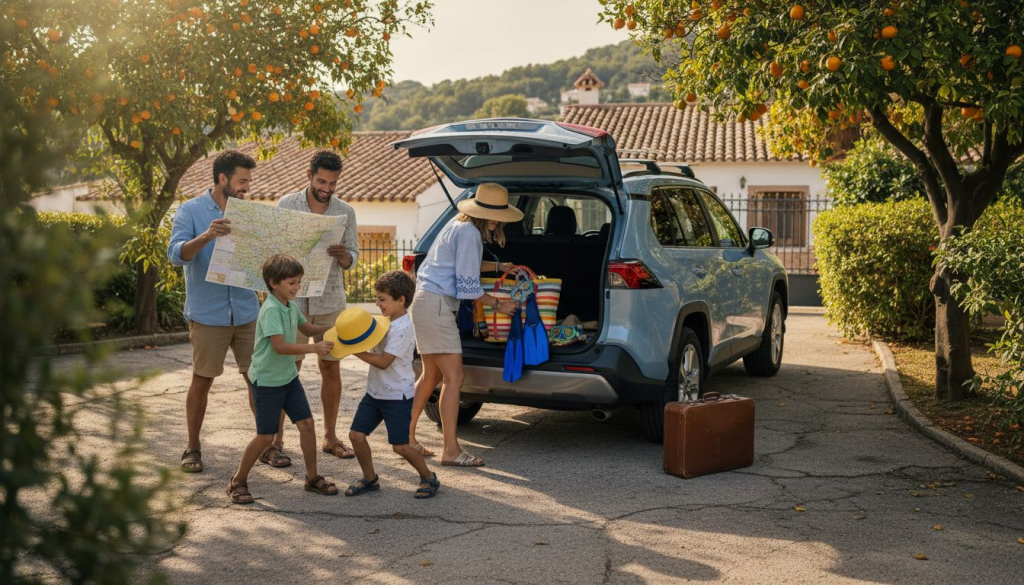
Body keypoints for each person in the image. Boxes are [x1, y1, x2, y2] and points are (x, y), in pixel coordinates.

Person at [408, 183, 522, 467]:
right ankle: (450, 451)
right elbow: (468, 287)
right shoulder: (471, 233)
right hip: (436, 306)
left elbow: (461, 265)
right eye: (494, 216)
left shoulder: (456, 225)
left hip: (424, 302)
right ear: (482, 214)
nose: (496, 222)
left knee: (430, 377)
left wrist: (498, 267)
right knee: (454, 378)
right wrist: (500, 304)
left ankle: (406, 438)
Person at [168, 149, 266, 474]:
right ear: (223, 179)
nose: (246, 187)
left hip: (247, 311)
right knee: (202, 381)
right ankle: (192, 447)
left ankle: (267, 444)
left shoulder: (250, 215)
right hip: (208, 313)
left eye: (248, 181)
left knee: (258, 380)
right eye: (242, 181)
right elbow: (176, 255)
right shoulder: (190, 211)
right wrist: (208, 235)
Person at [226, 254, 339, 504]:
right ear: (273, 282)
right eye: (292, 282)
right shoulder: (270, 310)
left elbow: (306, 329)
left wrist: (333, 328)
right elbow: (279, 346)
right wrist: (314, 348)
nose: (297, 288)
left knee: (307, 425)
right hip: (267, 381)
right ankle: (237, 481)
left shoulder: (290, 305)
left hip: (288, 378)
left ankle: (312, 478)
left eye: (299, 282)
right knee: (266, 436)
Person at [277, 149, 360, 462]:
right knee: (287, 369)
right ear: (309, 175)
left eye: (333, 183)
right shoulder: (287, 205)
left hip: (330, 298)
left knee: (331, 367)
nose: (327, 188)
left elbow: (353, 255)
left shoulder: (346, 212)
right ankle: (276, 440)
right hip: (292, 299)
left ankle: (330, 437)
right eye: (322, 181)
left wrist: (344, 256)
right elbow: (275, 251)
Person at [339, 272, 440, 498]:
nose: (377, 303)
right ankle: (370, 478)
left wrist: (354, 351)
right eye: (377, 298)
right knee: (356, 435)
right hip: (375, 393)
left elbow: (384, 362)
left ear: (401, 300)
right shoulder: (385, 322)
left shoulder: (403, 328)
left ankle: (428, 477)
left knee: (401, 446)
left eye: (382, 299)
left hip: (396, 396)